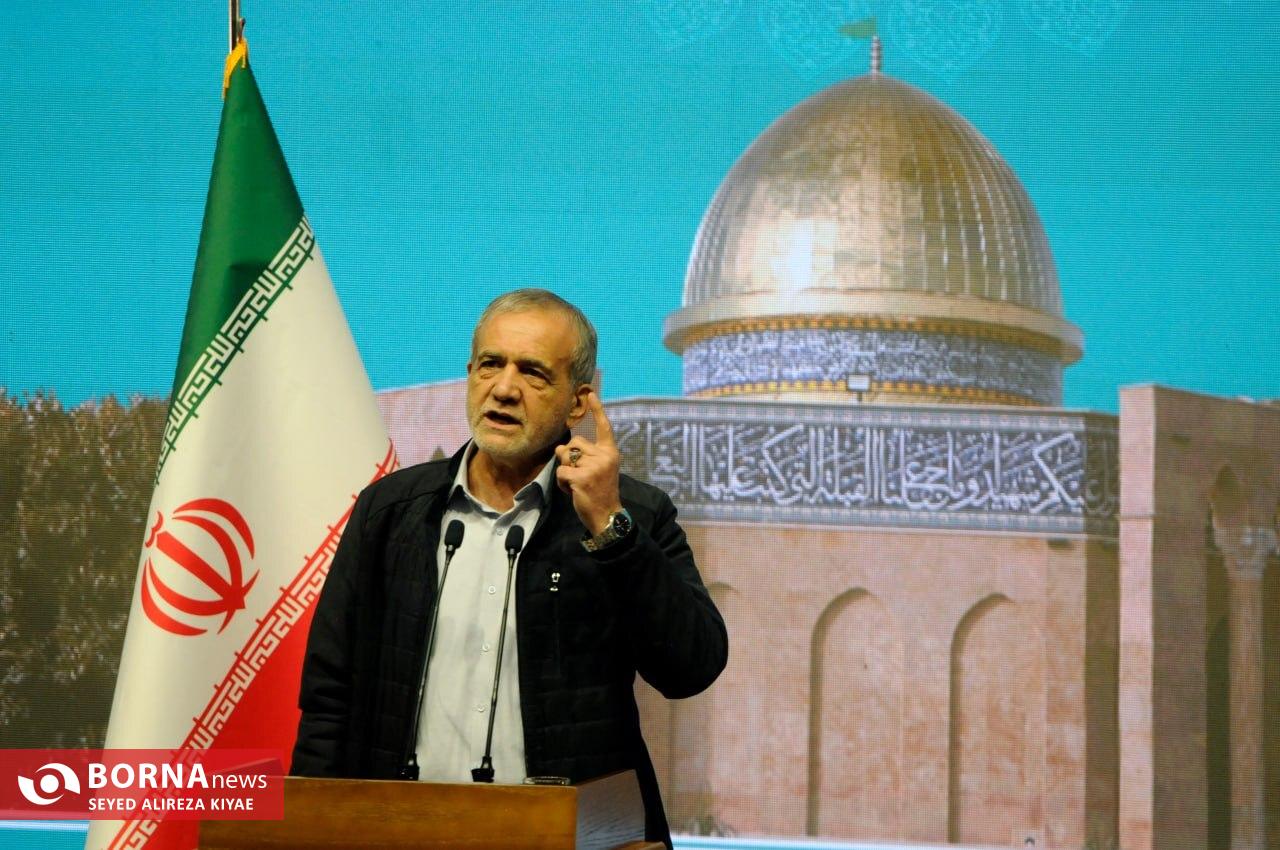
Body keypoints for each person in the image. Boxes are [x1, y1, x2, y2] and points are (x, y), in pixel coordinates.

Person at [291, 288, 728, 847]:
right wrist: (309, 829)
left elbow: (691, 668)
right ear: (470, 375)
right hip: (399, 832)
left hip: (569, 839)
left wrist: (610, 528)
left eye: (533, 373)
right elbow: (330, 694)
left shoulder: (632, 515)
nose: (503, 388)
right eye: (490, 365)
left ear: (578, 403)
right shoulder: (391, 512)